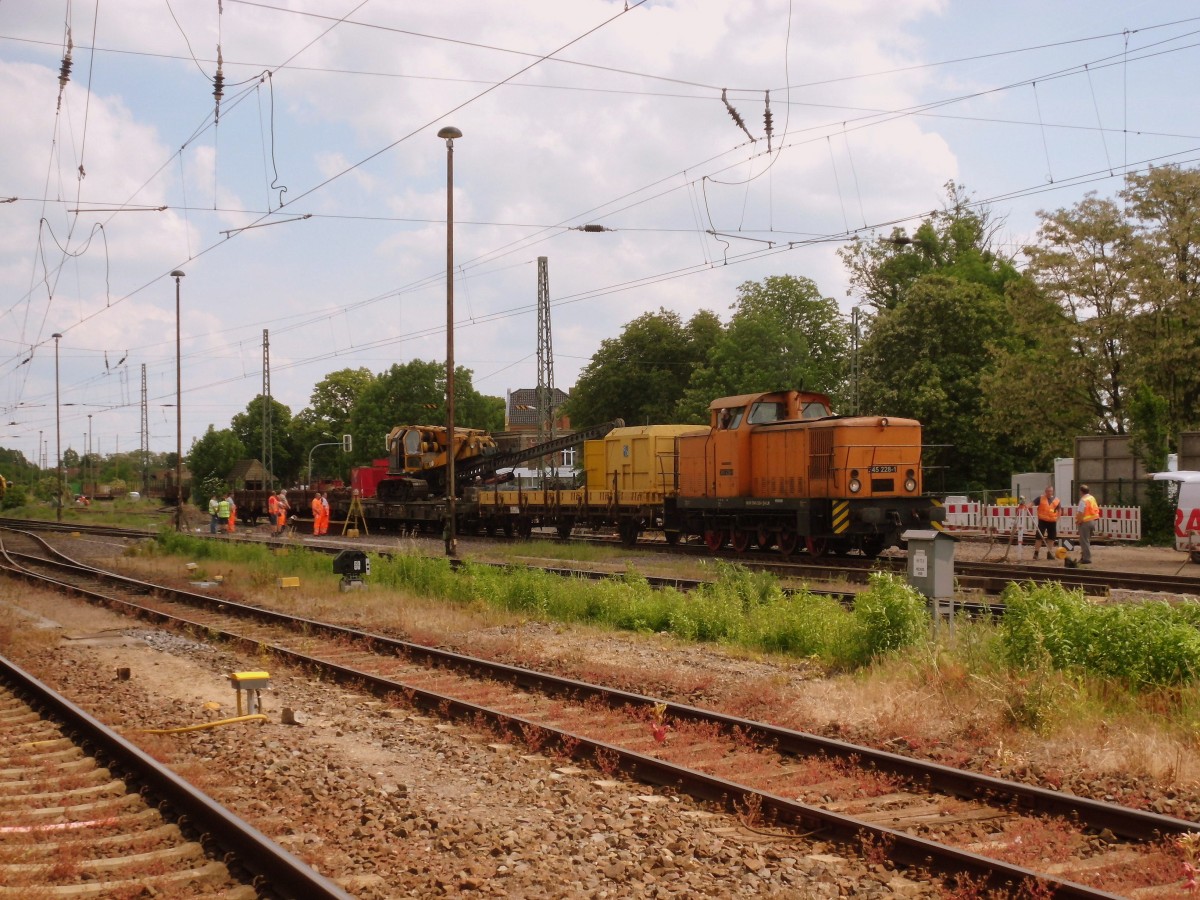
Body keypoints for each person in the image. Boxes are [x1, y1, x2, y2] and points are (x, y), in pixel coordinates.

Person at [1031, 485, 1061, 560]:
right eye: (1048, 491)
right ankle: (1036, 553)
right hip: (1042, 520)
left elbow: (1059, 510)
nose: (1049, 493)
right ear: (1045, 491)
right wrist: (1025, 507)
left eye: (1050, 491)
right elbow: (1032, 503)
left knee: (1051, 537)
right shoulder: (1040, 498)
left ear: (1052, 491)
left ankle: (1049, 553)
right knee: (1039, 537)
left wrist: (1058, 518)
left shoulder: (1056, 500)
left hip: (1052, 521)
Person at [1076, 484, 1101, 565]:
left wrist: (1079, 521)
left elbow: (1080, 512)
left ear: (1081, 491)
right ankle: (1084, 556)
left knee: (1084, 541)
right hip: (1092, 521)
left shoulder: (1083, 500)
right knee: (1087, 540)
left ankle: (1086, 558)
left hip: (1085, 522)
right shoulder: (1092, 498)